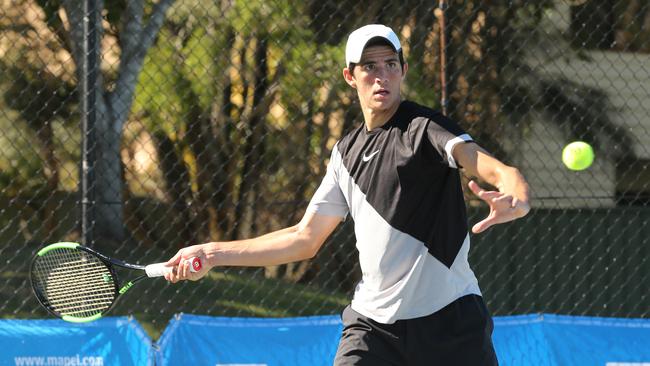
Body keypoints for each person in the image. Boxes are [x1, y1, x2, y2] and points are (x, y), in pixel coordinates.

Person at [165, 24, 530, 365]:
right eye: (369, 66)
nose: (381, 75)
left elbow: (493, 168)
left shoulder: (425, 129)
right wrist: (211, 253)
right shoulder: (344, 153)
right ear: (349, 77)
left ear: (403, 70)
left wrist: (514, 195)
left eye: (390, 64)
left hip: (451, 322)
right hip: (373, 328)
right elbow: (303, 238)